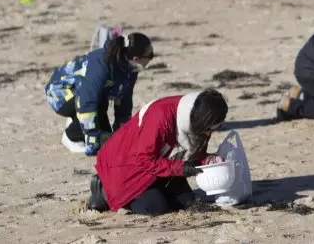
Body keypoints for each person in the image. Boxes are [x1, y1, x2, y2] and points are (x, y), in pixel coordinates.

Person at [87, 89, 229, 216]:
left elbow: (192, 155)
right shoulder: (160, 117)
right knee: (154, 207)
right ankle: (103, 189)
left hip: (161, 162)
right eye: (210, 127)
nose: (210, 131)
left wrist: (208, 160)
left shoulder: (198, 115)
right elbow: (143, 159)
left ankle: (157, 187)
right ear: (203, 120)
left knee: (187, 201)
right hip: (125, 165)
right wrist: (180, 168)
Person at [45, 32, 153, 156]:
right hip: (61, 93)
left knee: (107, 137)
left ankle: (76, 121)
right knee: (95, 113)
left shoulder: (131, 69)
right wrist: (92, 141)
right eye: (149, 56)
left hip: (89, 96)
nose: (150, 61)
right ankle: (71, 136)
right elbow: (87, 102)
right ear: (136, 58)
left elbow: (125, 99)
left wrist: (122, 133)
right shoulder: (101, 64)